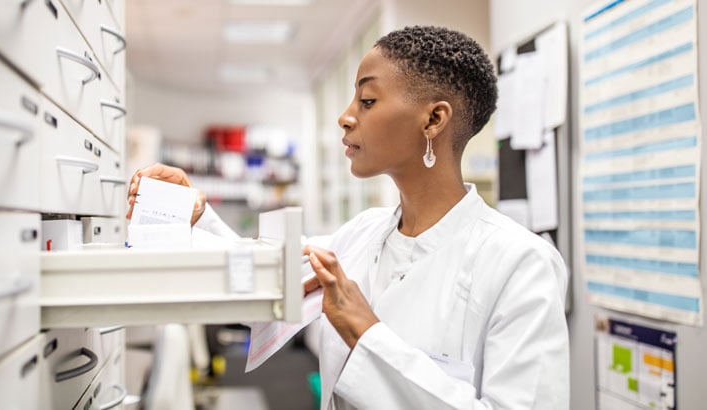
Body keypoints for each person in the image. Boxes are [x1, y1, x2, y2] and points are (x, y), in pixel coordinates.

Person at [128, 25, 569, 410]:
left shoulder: (520, 263)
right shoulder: (364, 233)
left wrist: (367, 333)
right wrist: (195, 216)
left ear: (434, 119)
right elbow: (265, 279)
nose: (345, 117)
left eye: (368, 99)